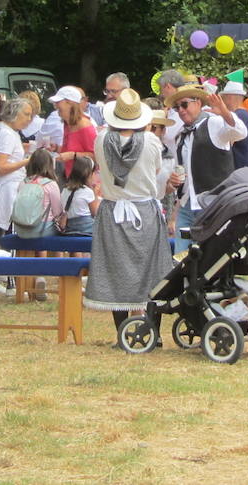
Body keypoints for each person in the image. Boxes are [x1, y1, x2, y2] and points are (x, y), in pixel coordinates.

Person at [85, 89, 173, 343]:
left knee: (115, 271)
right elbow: (156, 169)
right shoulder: (152, 142)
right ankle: (152, 332)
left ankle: (122, 332)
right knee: (151, 271)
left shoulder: (101, 140)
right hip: (143, 211)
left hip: (113, 209)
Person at [0, 97, 36, 293]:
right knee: (8, 234)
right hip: (7, 187)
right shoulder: (7, 134)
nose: (29, 119)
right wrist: (27, 161)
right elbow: (1, 167)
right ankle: (10, 282)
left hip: (7, 186)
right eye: (26, 114)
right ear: (14, 114)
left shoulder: (5, 131)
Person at [169, 82, 247, 229]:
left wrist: (224, 112)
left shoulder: (214, 122)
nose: (180, 110)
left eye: (184, 105)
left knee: (208, 251)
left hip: (212, 204)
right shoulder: (180, 134)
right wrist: (174, 181)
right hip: (186, 204)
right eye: (176, 107)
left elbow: (241, 132)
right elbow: (182, 170)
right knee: (182, 251)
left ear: (198, 103)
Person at [14, 148, 64, 238]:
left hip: (20, 230)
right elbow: (58, 212)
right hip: (42, 230)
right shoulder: (50, 184)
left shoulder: (23, 183)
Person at [51, 85, 96, 177]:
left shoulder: (85, 126)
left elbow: (95, 156)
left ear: (70, 103)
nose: (55, 105)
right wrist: (56, 148)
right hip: (72, 178)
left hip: (84, 180)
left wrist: (72, 155)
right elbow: (70, 149)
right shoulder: (67, 124)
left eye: (58, 102)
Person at [220, 81, 248, 171]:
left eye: (223, 97)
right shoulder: (244, 114)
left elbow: (227, 141)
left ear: (229, 97)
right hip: (246, 167)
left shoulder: (237, 116)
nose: (222, 101)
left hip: (240, 168)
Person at [62, 155, 100, 235]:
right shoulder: (87, 191)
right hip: (86, 228)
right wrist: (94, 193)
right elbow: (96, 213)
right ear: (89, 174)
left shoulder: (65, 190)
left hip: (69, 228)